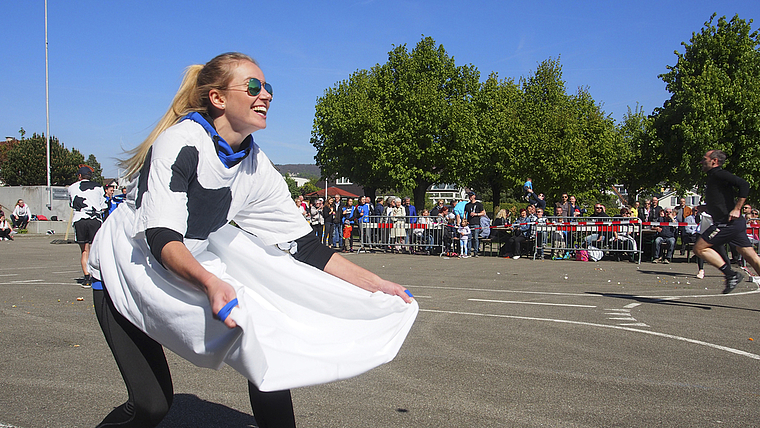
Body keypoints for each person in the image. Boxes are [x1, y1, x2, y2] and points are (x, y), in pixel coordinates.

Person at [86, 53, 416, 428]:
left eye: (268, 88)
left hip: (184, 264)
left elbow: (305, 247)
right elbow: (162, 237)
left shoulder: (256, 165)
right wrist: (211, 282)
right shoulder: (179, 144)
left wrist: (377, 285)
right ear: (218, 98)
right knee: (151, 405)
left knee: (268, 346)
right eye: (254, 87)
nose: (266, 96)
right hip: (128, 270)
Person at [694, 150, 760, 293]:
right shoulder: (713, 177)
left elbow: (744, 184)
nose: (701, 162)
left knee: (699, 248)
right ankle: (731, 274)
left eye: (704, 159)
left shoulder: (719, 174)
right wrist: (706, 207)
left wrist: (737, 208)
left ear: (714, 161)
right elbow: (722, 200)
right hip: (733, 224)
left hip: (727, 223)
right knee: (752, 257)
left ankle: (731, 275)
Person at [68, 165, 106, 288]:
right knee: (97, 248)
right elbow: (103, 205)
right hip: (95, 219)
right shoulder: (98, 187)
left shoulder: (72, 187)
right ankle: (99, 275)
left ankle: (87, 277)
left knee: (84, 250)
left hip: (80, 219)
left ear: (79, 176)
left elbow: (72, 203)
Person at [464, 192, 485, 257]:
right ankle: (469, 252)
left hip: (476, 223)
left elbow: (483, 213)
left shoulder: (479, 204)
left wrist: (476, 214)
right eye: (469, 196)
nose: (470, 197)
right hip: (469, 223)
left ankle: (476, 252)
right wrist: (465, 220)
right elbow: (465, 213)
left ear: (474, 196)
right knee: (469, 238)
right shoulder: (467, 205)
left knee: (476, 238)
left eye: (471, 195)